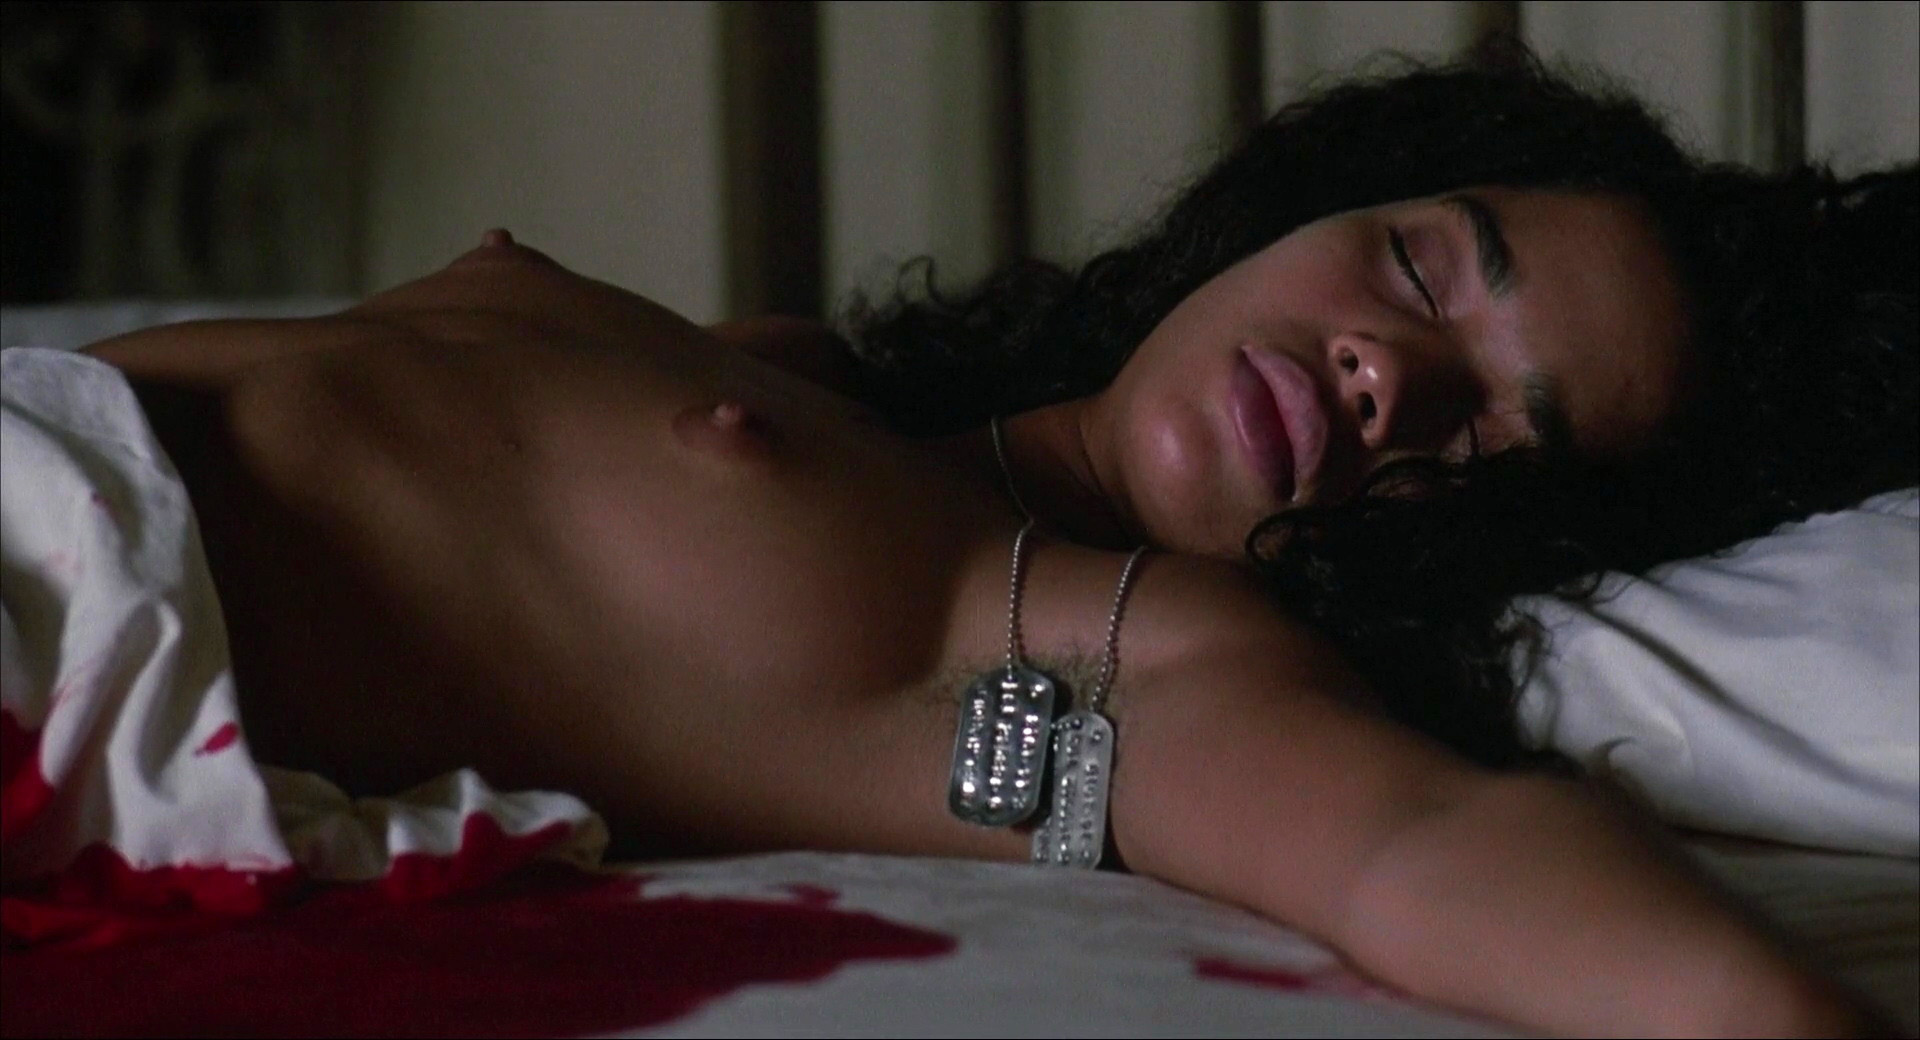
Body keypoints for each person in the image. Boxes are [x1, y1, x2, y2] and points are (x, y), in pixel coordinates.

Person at [41, 39, 1916, 1037]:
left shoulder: (1117, 654)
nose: (1386, 375)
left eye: (1499, 438)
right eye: (1426, 268)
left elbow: (1421, 846)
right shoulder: (808, 380)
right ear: (1306, 206)